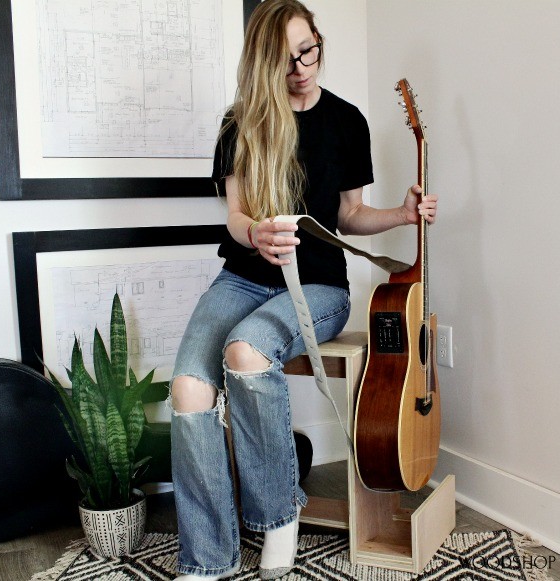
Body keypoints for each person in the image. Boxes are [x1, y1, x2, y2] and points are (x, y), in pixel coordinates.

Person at [169, 1, 438, 579]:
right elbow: (236, 217)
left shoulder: (347, 121)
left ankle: (277, 513)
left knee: (246, 351)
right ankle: (208, 557)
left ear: (318, 40)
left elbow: (350, 215)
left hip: (318, 287)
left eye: (307, 51)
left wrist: (400, 214)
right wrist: (256, 235)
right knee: (188, 390)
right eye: (285, 58)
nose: (300, 68)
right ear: (263, 62)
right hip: (242, 278)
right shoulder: (240, 123)